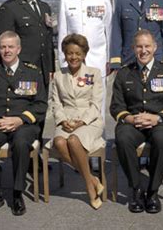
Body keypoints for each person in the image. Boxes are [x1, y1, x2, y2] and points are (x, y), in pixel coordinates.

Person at [110, 30, 163, 214]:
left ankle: (152, 191)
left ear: (155, 47)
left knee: (161, 140)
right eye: (139, 47)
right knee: (122, 138)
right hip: (133, 123)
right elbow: (116, 107)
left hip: (161, 122)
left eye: (147, 46)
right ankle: (136, 189)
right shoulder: (124, 73)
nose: (143, 51)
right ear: (133, 48)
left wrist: (157, 117)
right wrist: (130, 118)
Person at [0, 31, 48, 216]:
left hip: (23, 124)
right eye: (3, 47)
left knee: (21, 143)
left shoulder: (32, 71)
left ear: (18, 49)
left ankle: (17, 193)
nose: (6, 50)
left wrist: (19, 120)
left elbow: (40, 104)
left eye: (10, 47)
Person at [0, 0, 54, 162]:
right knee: (23, 114)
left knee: (40, 112)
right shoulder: (9, 8)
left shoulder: (45, 7)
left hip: (43, 71)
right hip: (22, 74)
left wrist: (51, 68)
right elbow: (5, 43)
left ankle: (34, 155)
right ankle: (24, 158)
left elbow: (47, 41)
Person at [52, 34, 105, 210]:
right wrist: (62, 120)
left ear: (84, 55)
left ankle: (89, 188)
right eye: (69, 53)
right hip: (66, 119)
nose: (73, 57)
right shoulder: (58, 76)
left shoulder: (94, 73)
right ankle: (92, 178)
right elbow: (55, 103)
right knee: (59, 142)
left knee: (74, 140)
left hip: (90, 120)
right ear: (65, 55)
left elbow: (97, 103)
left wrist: (82, 121)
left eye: (77, 53)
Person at [57, 0, 112, 97]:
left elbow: (109, 30)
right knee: (76, 102)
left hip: (97, 60)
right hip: (74, 62)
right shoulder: (66, 1)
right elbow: (62, 35)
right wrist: (63, 62)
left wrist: (110, 59)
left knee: (98, 102)